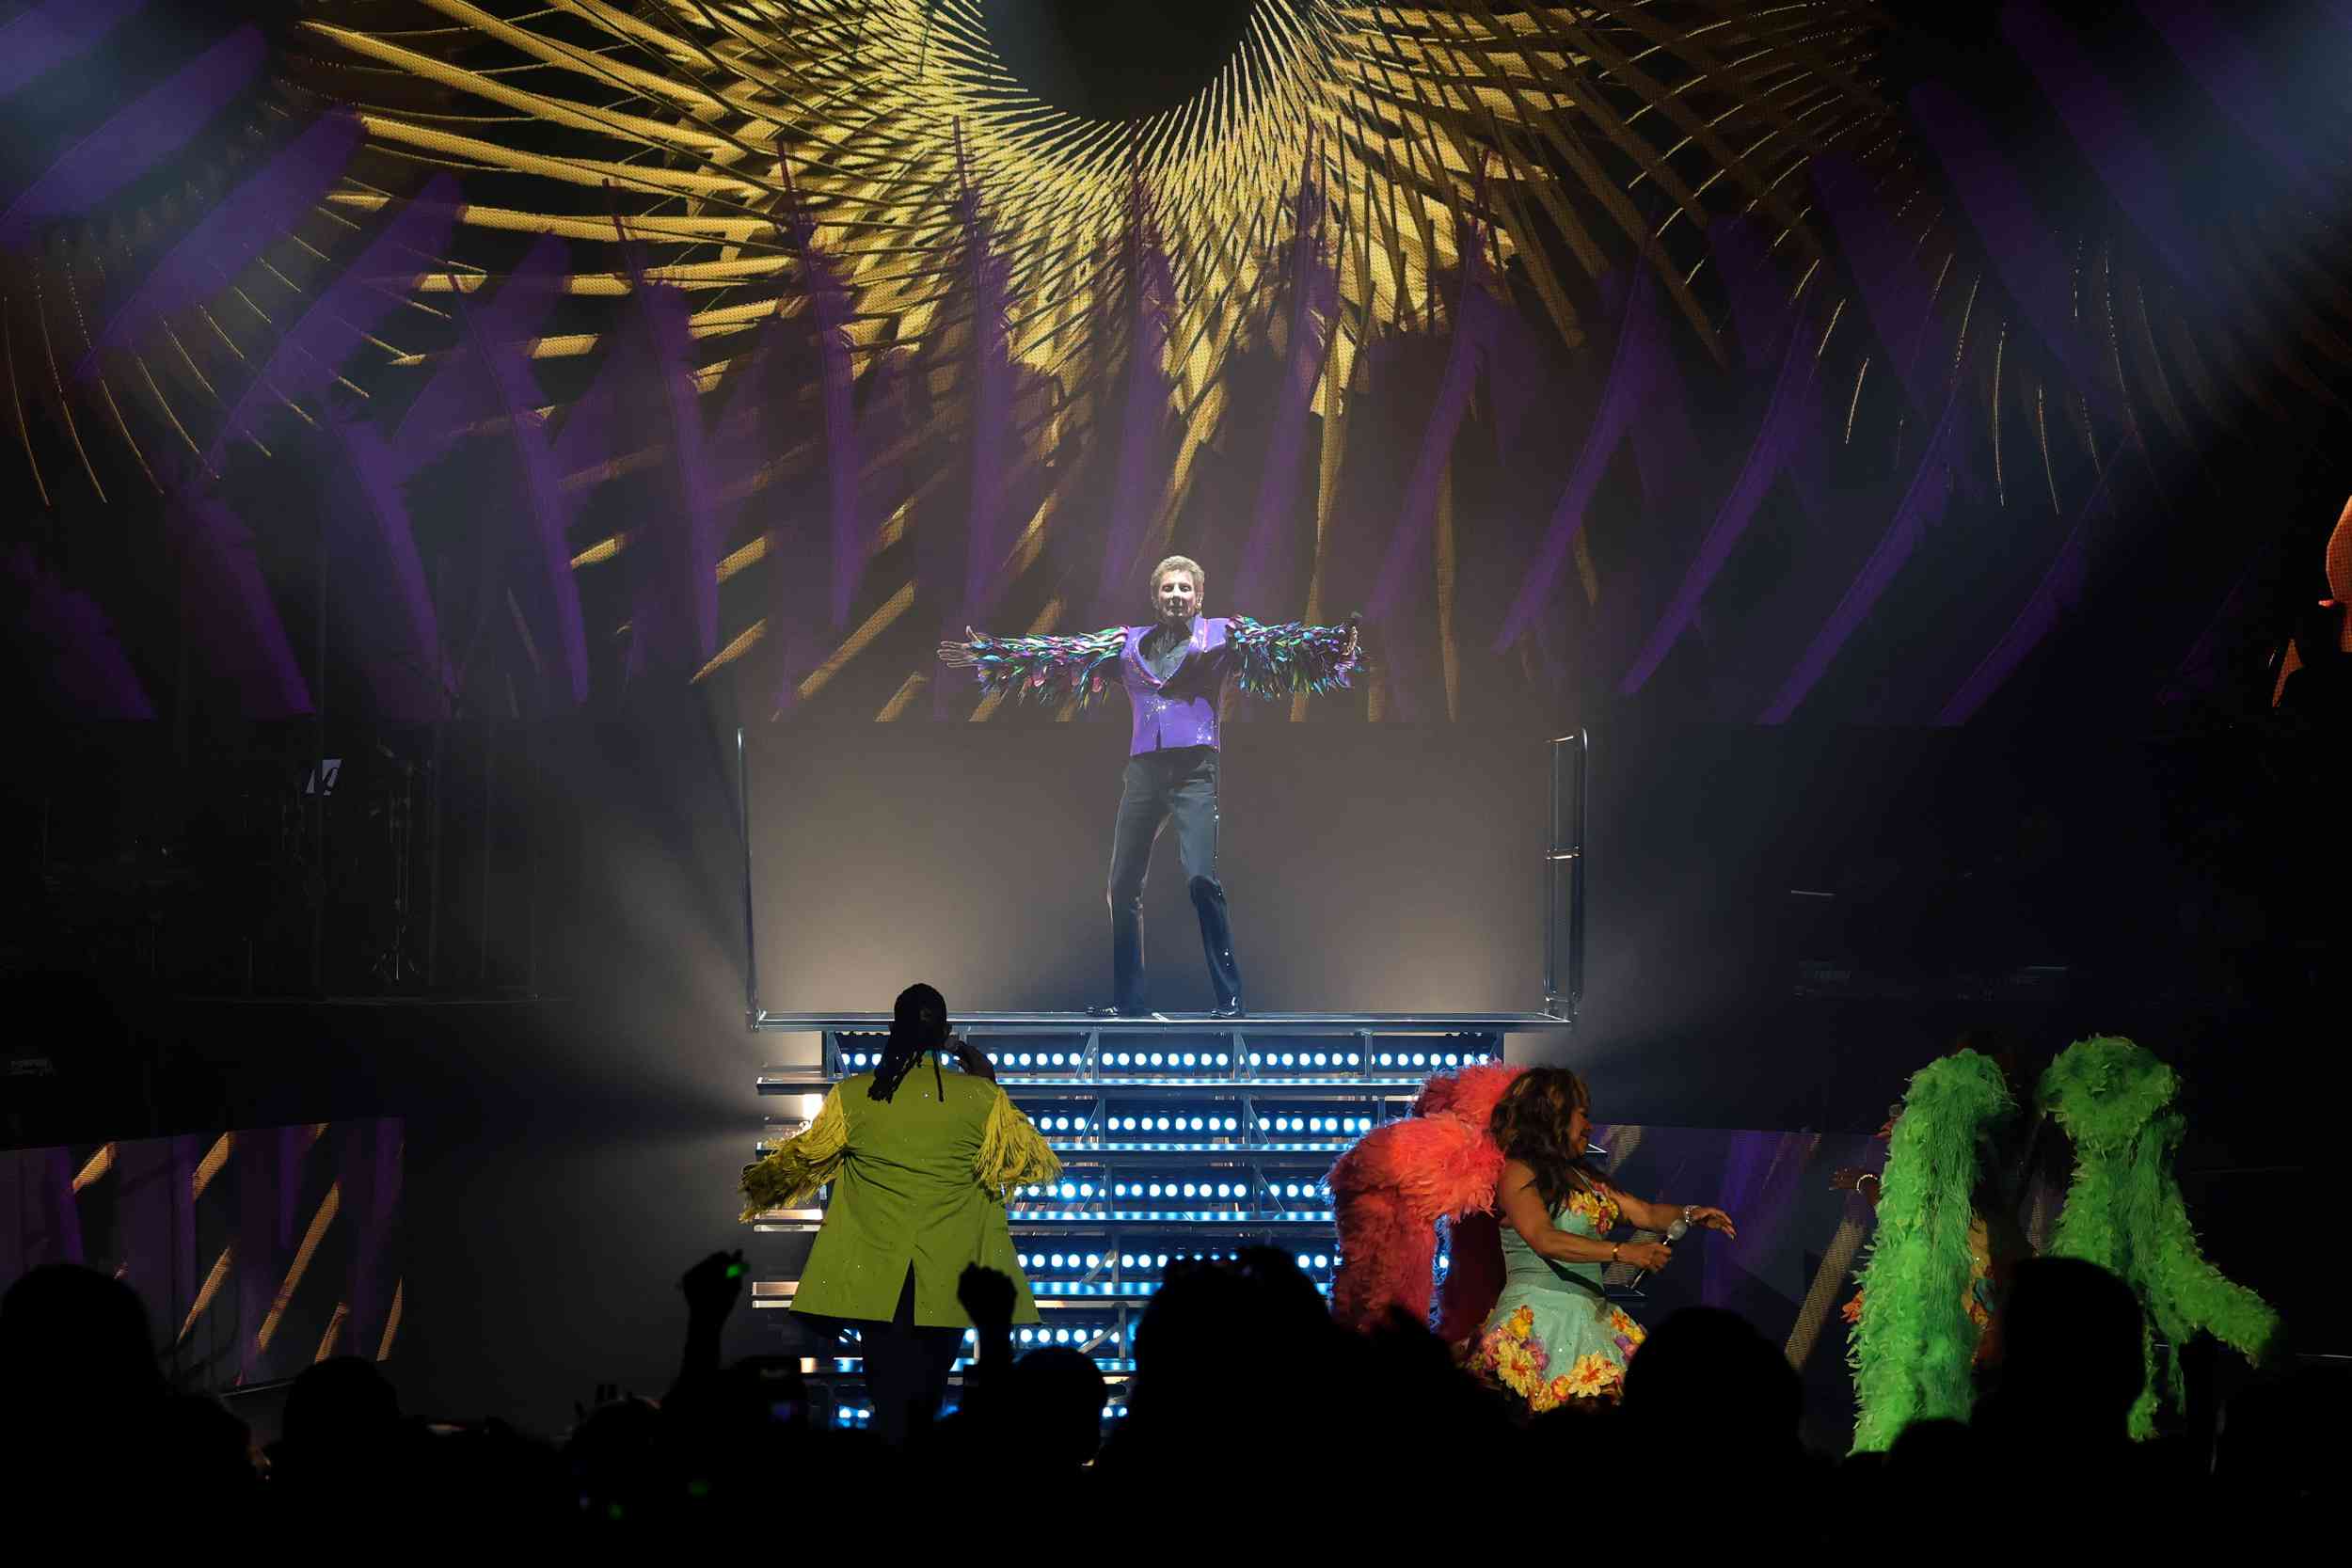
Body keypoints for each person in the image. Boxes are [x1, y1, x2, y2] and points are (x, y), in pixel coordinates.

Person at [938, 555, 1360, 1016]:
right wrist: (992, 653)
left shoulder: (1221, 635)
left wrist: (1335, 640)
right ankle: (1129, 1002)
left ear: (1199, 597)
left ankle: (1231, 998)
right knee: (1121, 885)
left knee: (1201, 879)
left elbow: (1280, 643)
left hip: (1195, 771)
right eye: (1168, 589)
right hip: (1143, 774)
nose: (1176, 595)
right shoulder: (1126, 644)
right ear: (1155, 598)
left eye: (1185, 588)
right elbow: (1061, 653)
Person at [739, 983, 1060, 1449]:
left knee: (888, 1405)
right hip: (949, 1281)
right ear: (946, 1032)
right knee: (927, 1399)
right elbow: (1031, 1162)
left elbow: (803, 1161)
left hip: (878, 1284)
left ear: (893, 1030)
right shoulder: (979, 1099)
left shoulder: (855, 1097)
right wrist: (985, 1078)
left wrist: (755, 1186)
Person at [1468, 1068, 1736, 1412]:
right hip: (1537, 1318)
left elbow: (1648, 1214)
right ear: (1555, 1115)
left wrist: (1690, 1214)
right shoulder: (1518, 1171)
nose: (1590, 1126)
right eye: (1583, 1115)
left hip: (1593, 1316)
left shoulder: (1586, 1177)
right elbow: (1544, 1239)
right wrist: (1622, 1252)